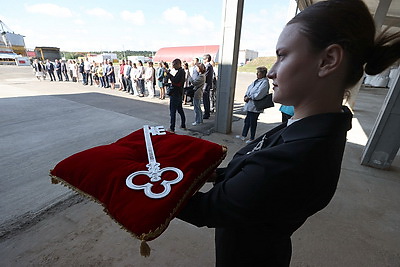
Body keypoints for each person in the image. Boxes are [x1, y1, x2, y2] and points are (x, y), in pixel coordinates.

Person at [176, 0, 400, 266]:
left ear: (328, 61)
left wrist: (133, 178)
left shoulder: (298, 156)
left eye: (282, 55)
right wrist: (215, 174)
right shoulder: (314, 127)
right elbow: (259, 177)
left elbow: (207, 210)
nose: (271, 71)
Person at [235, 66, 270, 143]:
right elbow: (249, 89)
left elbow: (259, 94)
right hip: (250, 104)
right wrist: (246, 96)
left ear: (263, 73)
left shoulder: (265, 82)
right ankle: (243, 135)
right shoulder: (257, 81)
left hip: (255, 105)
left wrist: (249, 97)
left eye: (258, 72)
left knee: (253, 122)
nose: (256, 74)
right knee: (247, 120)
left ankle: (252, 138)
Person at [166, 58, 186, 133]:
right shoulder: (181, 72)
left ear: (178, 64)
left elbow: (174, 80)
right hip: (178, 93)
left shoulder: (180, 72)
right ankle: (183, 124)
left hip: (175, 94)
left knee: (173, 111)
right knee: (180, 110)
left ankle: (172, 128)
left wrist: (169, 74)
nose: (173, 66)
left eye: (174, 65)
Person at [202, 54, 214, 119]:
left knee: (206, 100)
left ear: (207, 59)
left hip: (206, 85)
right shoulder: (209, 66)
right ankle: (207, 112)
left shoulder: (208, 66)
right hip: (207, 85)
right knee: (206, 99)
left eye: (204, 59)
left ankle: (206, 113)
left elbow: (205, 75)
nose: (203, 60)